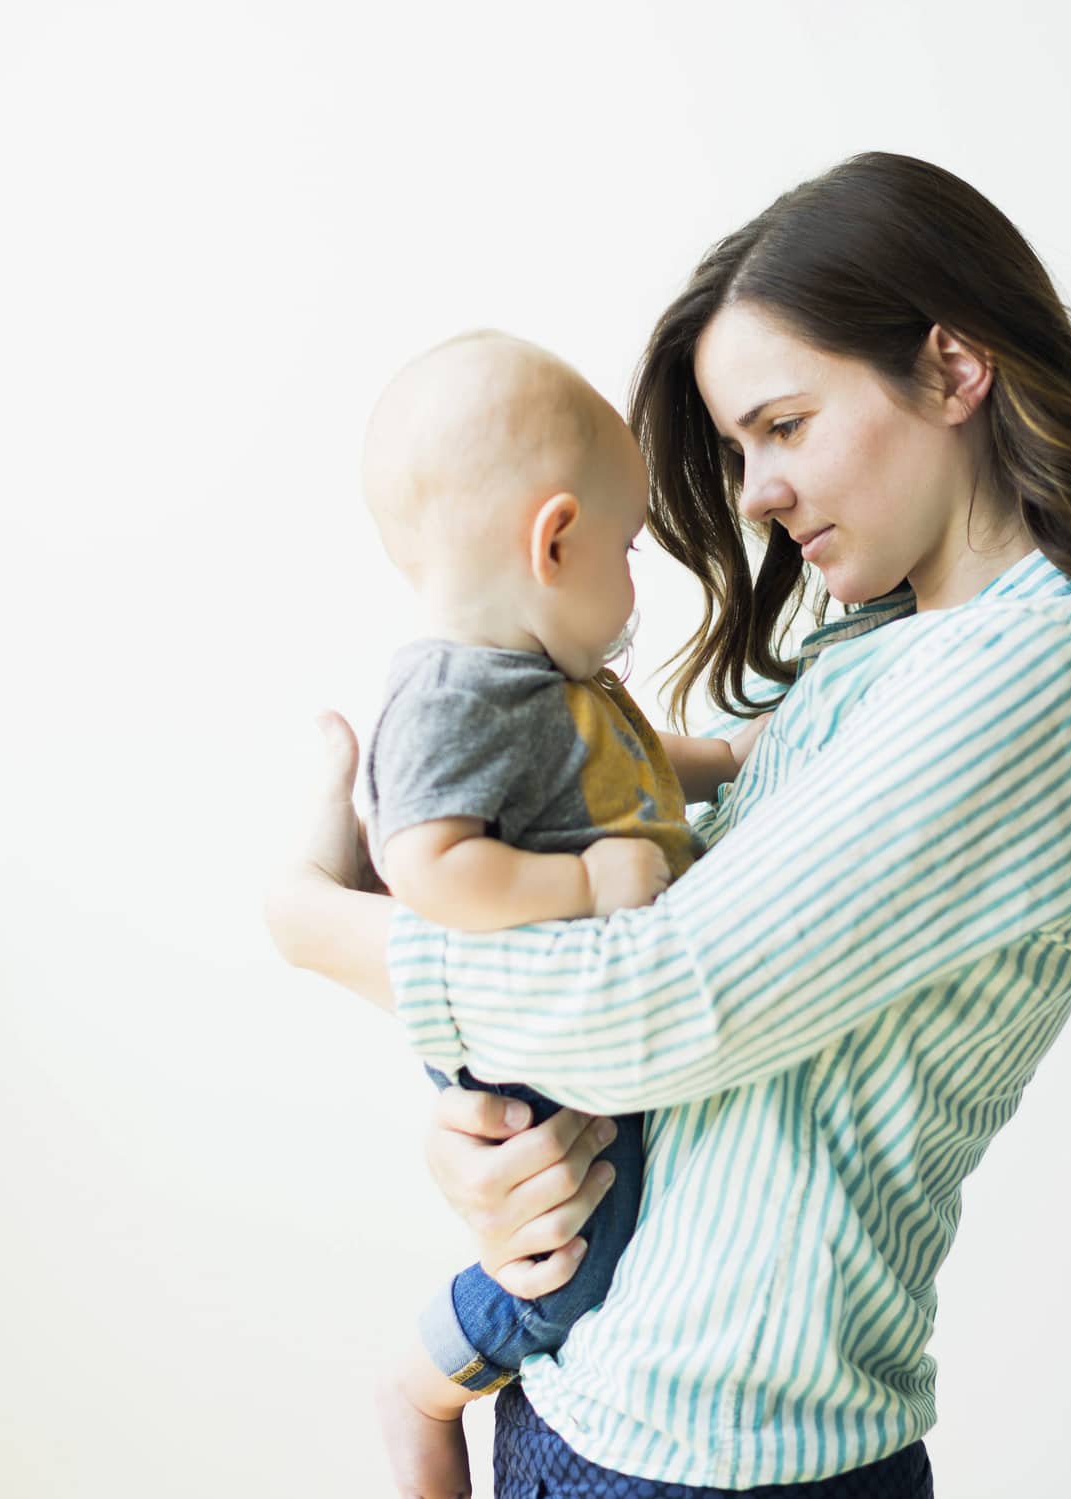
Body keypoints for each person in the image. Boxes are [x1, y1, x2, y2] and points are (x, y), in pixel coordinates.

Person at [267, 150, 1071, 1496]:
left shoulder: (1035, 673)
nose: (749, 492)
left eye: (784, 425)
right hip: (602, 1411)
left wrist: (327, 930)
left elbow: (656, 996)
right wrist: (512, 1149)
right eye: (738, 447)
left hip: (719, 1458)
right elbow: (686, 1048)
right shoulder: (877, 659)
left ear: (948, 367)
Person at [351, 330, 772, 1497]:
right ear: (555, 540)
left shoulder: (557, 684)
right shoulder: (452, 693)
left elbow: (632, 766)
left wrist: (732, 757)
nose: (636, 578)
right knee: (582, 1250)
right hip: (532, 1057)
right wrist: (582, 885)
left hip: (594, 1027)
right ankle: (434, 1368)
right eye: (631, 545)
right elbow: (430, 866)